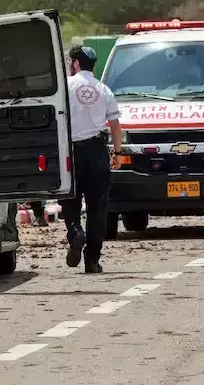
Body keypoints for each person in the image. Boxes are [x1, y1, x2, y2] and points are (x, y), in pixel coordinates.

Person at [63, 45, 123, 274]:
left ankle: (75, 232)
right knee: (98, 207)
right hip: (98, 150)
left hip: (71, 150)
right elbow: (115, 126)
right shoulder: (104, 89)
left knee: (70, 198)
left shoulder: (65, 87)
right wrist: (117, 154)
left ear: (76, 63)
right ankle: (92, 260)